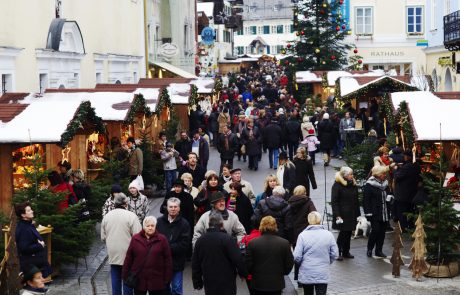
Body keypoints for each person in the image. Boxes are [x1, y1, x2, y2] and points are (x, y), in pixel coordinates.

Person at [192, 213, 248, 295]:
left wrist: (197, 282)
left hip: (209, 280)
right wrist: (243, 273)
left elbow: (195, 263)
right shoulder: (227, 239)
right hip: (227, 280)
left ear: (209, 224)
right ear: (222, 224)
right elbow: (238, 259)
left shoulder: (200, 241)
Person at [101, 193, 142, 295]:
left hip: (113, 252)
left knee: (115, 277)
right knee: (127, 278)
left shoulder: (107, 216)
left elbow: (103, 237)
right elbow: (138, 236)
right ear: (126, 203)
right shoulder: (131, 216)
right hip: (128, 253)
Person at [122, 216, 172, 295]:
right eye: (148, 226)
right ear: (143, 227)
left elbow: (168, 260)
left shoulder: (162, 239)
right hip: (139, 279)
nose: (150, 228)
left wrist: (167, 278)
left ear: (155, 226)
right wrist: (125, 275)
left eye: (152, 226)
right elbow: (129, 258)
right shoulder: (135, 239)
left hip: (157, 279)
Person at [246, 216, 294, 295]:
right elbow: (289, 263)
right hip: (276, 283)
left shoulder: (252, 243)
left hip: (258, 283)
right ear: (275, 226)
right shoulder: (284, 243)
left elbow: (248, 264)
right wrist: (283, 272)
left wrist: (253, 273)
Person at [293, 211, 338, 295]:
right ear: (320, 220)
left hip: (307, 271)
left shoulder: (302, 235)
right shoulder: (328, 234)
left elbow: (296, 256)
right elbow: (335, 254)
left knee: (308, 293)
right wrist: (327, 261)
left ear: (309, 221)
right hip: (322, 271)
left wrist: (303, 263)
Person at [156, 198, 190, 295]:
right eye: (171, 207)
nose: (173, 209)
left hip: (177, 262)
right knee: (163, 288)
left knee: (176, 288)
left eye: (175, 207)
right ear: (167, 208)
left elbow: (184, 244)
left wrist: (167, 248)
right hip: (162, 262)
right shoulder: (159, 222)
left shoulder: (184, 224)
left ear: (179, 208)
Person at [15, 202, 52, 279]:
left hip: (35, 263)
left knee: (38, 286)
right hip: (31, 264)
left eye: (31, 209)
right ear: (23, 215)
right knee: (34, 285)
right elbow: (24, 248)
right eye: (28, 210)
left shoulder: (28, 224)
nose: (32, 211)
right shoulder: (23, 229)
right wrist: (40, 245)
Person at [331, 167, 360, 261]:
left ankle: (346, 251)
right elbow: (334, 201)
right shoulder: (337, 185)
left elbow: (356, 200)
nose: (352, 176)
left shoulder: (353, 185)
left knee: (348, 232)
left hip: (351, 213)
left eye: (352, 174)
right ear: (344, 175)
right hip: (342, 214)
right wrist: (337, 214)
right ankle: (338, 252)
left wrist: (357, 213)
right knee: (343, 233)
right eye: (350, 174)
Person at [363, 166, 391, 258]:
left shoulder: (385, 183)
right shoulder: (369, 184)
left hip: (385, 212)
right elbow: (366, 201)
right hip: (374, 213)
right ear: (378, 175)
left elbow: (389, 193)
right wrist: (368, 213)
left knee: (382, 232)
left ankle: (379, 250)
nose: (385, 175)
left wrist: (390, 198)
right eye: (383, 174)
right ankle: (370, 249)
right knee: (375, 231)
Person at [393, 150, 421, 231]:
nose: (403, 157)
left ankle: (404, 228)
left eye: (404, 156)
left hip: (403, 194)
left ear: (407, 157)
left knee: (402, 212)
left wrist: (396, 169)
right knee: (410, 210)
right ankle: (411, 225)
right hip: (412, 193)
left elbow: (397, 176)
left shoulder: (407, 167)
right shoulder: (416, 166)